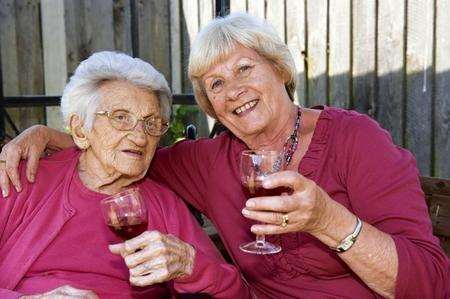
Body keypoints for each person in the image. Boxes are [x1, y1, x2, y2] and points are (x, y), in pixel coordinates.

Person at [1, 13, 448, 298]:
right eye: (214, 84)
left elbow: (431, 283)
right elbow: (127, 153)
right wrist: (52, 134)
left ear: (279, 69)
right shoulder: (207, 161)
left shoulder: (357, 140)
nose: (232, 89)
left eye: (244, 68)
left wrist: (328, 221)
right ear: (211, 105)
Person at [0, 51, 249, 299]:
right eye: (120, 117)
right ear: (80, 129)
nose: (141, 137)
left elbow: (235, 292)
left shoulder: (164, 205)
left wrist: (189, 266)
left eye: (151, 123)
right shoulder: (21, 178)